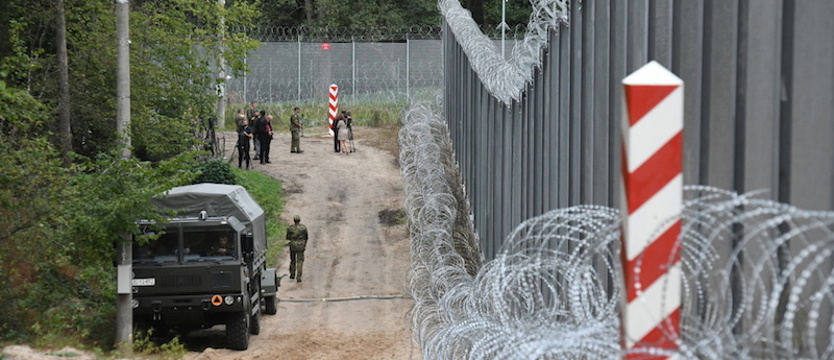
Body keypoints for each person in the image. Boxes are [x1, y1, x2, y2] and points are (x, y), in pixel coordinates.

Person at [286, 215, 308, 282]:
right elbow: (306, 237)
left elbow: (287, 237)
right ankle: (298, 277)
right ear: (299, 220)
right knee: (300, 262)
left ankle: (292, 274)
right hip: (301, 246)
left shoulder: (290, 228)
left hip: (293, 246)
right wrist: (304, 244)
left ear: (294, 220)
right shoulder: (303, 228)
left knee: (292, 261)